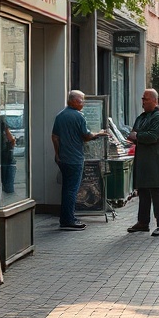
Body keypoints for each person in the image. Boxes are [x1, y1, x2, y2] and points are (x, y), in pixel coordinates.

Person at [51, 90, 107, 231]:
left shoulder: (60, 115)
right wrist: (98, 134)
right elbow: (86, 135)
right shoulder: (78, 116)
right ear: (74, 101)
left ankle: (66, 217)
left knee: (66, 189)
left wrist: (57, 154)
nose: (83, 103)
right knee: (72, 190)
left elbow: (55, 137)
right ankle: (68, 220)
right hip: (75, 158)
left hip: (63, 158)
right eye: (81, 100)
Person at [126, 89, 159, 236]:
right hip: (142, 159)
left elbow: (152, 136)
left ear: (154, 101)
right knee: (143, 191)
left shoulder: (158, 118)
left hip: (153, 160)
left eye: (146, 99)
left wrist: (137, 135)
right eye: (142, 99)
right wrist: (136, 135)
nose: (143, 102)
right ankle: (143, 222)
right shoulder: (141, 117)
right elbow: (133, 133)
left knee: (157, 192)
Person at [0, 115, 17, 194]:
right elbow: (12, 140)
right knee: (9, 170)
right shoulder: (4, 131)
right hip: (6, 155)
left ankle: (6, 188)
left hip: (1, 155)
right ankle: (8, 189)